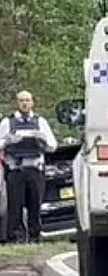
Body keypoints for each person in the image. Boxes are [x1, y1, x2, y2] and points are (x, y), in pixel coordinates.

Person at [0, 91, 58, 243]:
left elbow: (53, 146)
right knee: (15, 208)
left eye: (27, 100)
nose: (24, 103)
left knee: (35, 207)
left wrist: (42, 139)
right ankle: (14, 239)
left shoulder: (41, 122)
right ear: (16, 103)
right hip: (16, 170)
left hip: (35, 170)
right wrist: (8, 141)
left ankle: (35, 238)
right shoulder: (7, 122)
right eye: (21, 101)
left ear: (32, 102)